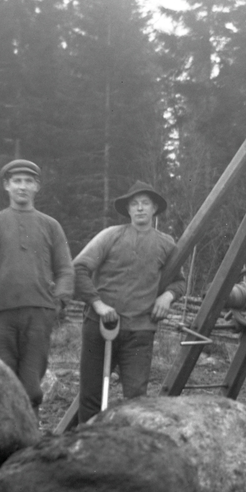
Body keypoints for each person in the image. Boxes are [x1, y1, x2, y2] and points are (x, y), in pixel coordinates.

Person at [0, 158, 75, 415]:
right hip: (0, 314)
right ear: (7, 186)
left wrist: (59, 302)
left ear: (37, 187)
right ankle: (2, 434)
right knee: (0, 379)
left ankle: (31, 431)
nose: (22, 186)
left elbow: (65, 270)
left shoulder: (50, 226)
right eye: (17, 181)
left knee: (31, 383)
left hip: (38, 314)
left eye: (28, 182)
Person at [72, 181, 186, 424]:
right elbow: (79, 268)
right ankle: (88, 443)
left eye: (145, 203)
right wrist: (98, 304)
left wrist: (168, 296)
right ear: (128, 209)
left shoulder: (166, 244)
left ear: (154, 208)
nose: (140, 208)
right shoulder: (110, 236)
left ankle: (129, 444)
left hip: (139, 332)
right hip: (101, 327)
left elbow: (180, 282)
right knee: (92, 397)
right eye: (134, 204)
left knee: (136, 400)